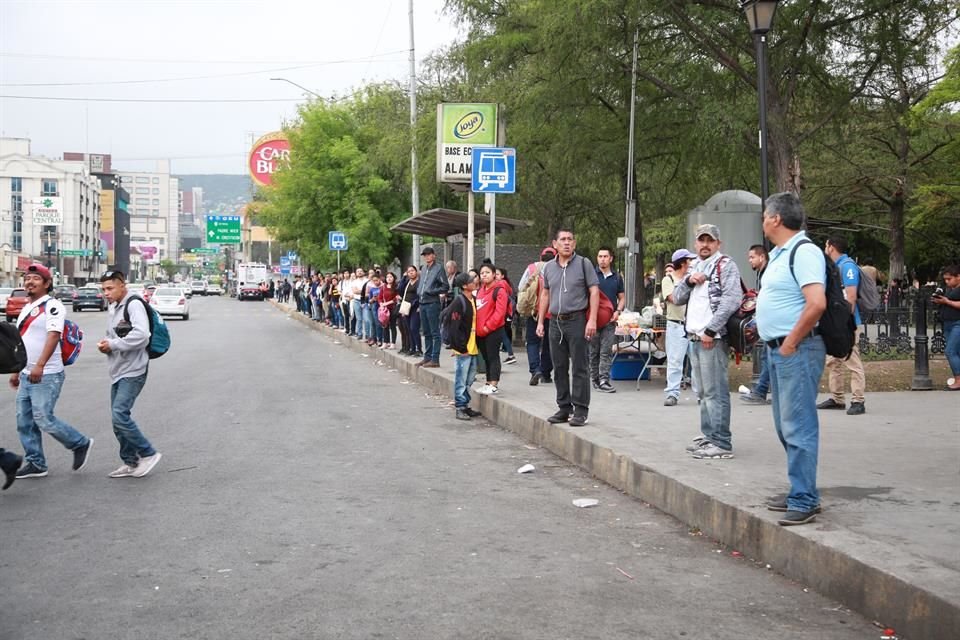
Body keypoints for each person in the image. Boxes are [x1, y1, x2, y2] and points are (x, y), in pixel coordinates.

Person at [755, 192, 828, 526]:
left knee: (798, 426)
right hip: (779, 350)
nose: (763, 221)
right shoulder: (780, 254)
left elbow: (816, 303)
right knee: (785, 426)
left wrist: (790, 343)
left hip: (796, 350)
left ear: (776, 219)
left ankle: (805, 498)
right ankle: (801, 487)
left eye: (764, 215)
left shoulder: (804, 251)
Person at [10, 263, 94, 479]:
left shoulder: (53, 306)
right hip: (26, 372)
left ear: (47, 284)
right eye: (27, 278)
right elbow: (21, 341)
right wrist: (16, 369)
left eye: (36, 278)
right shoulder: (27, 308)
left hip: (47, 373)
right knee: (24, 421)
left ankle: (79, 443)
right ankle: (36, 463)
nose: (30, 281)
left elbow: (54, 335)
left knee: (43, 418)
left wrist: (39, 365)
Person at [671, 224, 742, 459]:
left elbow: (731, 300)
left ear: (718, 244)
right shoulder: (695, 267)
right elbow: (678, 298)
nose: (705, 244)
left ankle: (722, 441)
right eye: (701, 240)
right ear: (695, 244)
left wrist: (711, 330)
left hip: (712, 338)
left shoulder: (725, 265)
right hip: (693, 337)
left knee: (715, 391)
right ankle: (709, 435)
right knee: (702, 391)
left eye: (709, 240)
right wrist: (690, 280)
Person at [97, 270, 163, 478]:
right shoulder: (114, 306)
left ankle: (148, 453)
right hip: (118, 369)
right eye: (104, 289)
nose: (106, 293)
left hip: (133, 370)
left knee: (120, 414)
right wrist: (108, 344)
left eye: (110, 288)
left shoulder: (133, 304)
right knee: (117, 420)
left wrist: (114, 344)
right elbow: (115, 334)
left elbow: (142, 335)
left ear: (122, 285)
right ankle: (130, 461)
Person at [536, 228, 600, 427]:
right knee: (559, 366)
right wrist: (540, 321)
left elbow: (594, 292)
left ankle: (581, 410)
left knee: (580, 367)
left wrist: (592, 320)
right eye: (562, 239)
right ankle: (564, 407)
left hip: (577, 319)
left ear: (574, 243)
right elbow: (545, 295)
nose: (566, 243)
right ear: (555, 244)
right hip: (555, 321)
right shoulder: (548, 268)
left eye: (570, 239)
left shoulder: (583, 264)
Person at [819, 236, 867, 415]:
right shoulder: (833, 266)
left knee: (852, 360)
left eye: (825, 245)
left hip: (847, 324)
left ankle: (858, 400)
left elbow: (851, 297)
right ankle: (837, 398)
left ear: (831, 247)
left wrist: (844, 323)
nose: (825, 248)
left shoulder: (847, 266)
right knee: (833, 361)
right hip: (836, 323)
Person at [662, 248, 696, 406]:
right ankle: (672, 393)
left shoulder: (692, 278)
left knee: (697, 361)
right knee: (675, 361)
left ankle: (701, 394)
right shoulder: (668, 279)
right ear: (682, 263)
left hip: (694, 325)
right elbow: (674, 299)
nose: (692, 263)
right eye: (689, 261)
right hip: (676, 325)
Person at [447, 273, 483, 420]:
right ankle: (460, 407)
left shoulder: (473, 299)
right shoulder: (458, 302)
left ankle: (465, 404)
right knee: (461, 379)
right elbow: (454, 326)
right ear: (464, 286)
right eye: (470, 281)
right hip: (463, 348)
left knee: (470, 378)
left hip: (473, 345)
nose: (474, 282)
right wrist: (460, 347)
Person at [590, 247, 625, 393]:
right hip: (592, 319)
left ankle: (604, 379)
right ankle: (594, 379)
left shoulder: (617, 277)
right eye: (600, 256)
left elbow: (622, 298)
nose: (602, 259)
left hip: (610, 320)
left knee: (606, 351)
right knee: (593, 351)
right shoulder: (591, 275)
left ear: (611, 258)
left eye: (605, 256)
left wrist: (618, 311)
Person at [519, 247, 556, 386]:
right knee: (549, 344)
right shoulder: (558, 269)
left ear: (541, 257)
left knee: (532, 342)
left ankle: (535, 370)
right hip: (552, 313)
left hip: (534, 312)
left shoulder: (531, 268)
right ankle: (546, 373)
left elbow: (521, 287)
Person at [741, 244, 772, 405]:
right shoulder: (762, 273)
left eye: (752, 257)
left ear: (762, 257)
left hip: (772, 323)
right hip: (768, 322)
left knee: (769, 357)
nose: (749, 260)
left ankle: (760, 391)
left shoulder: (769, 272)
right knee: (768, 357)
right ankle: (762, 391)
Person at [476, 263, 509, 395]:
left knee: (493, 356)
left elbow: (500, 313)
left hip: (493, 330)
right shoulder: (480, 290)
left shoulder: (499, 290)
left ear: (494, 274)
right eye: (482, 273)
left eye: (487, 272)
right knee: (485, 357)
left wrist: (487, 326)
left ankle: (494, 383)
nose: (484, 275)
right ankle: (488, 382)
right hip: (480, 331)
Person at [416, 247, 449, 368]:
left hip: (432, 302)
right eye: (425, 255)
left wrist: (432, 291)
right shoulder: (424, 268)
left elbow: (445, 286)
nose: (426, 257)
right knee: (426, 332)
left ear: (434, 255)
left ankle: (435, 359)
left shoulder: (439, 268)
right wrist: (420, 292)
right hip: (423, 302)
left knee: (435, 332)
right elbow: (422, 284)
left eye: (429, 254)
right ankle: (427, 357)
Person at [933, 264, 960, 390]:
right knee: (956, 352)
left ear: (958, 277)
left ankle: (958, 380)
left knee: (950, 351)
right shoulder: (949, 289)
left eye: (949, 279)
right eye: (945, 279)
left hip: (957, 323)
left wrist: (946, 301)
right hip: (948, 323)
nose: (947, 281)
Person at [495, 267, 517, 364]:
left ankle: (511, 355)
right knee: (503, 335)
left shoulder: (501, 284)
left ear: (502, 276)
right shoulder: (506, 284)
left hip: (503, 314)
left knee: (502, 335)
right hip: (506, 313)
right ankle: (510, 355)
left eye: (497, 274)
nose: (495, 276)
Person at [398, 265, 422, 358]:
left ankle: (418, 349)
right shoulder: (407, 282)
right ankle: (412, 348)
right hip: (406, 308)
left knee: (414, 328)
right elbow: (400, 290)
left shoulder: (419, 282)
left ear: (416, 272)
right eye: (409, 271)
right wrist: (404, 278)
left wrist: (419, 305)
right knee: (408, 328)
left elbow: (420, 295)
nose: (411, 272)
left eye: (412, 270)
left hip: (415, 308)